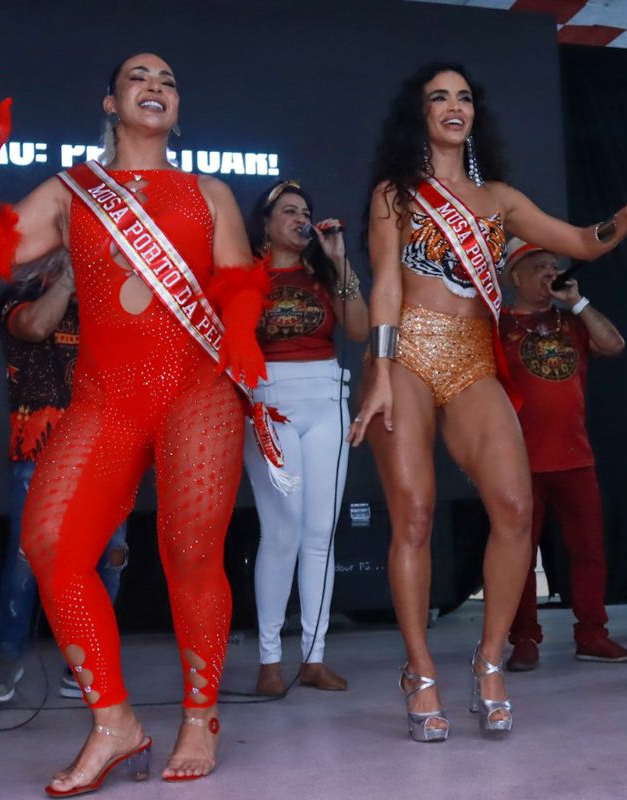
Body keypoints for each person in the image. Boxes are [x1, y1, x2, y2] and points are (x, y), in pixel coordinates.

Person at [0, 54, 271, 792]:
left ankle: (201, 716)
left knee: (191, 553)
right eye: (139, 77)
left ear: (177, 107)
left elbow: (237, 279)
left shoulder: (209, 192)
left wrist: (243, 330)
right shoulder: (74, 191)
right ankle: (114, 723)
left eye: (168, 79)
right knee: (50, 544)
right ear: (111, 102)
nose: (156, 86)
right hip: (107, 398)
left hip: (198, 390)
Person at [349, 63, 627, 741]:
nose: (454, 105)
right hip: (406, 351)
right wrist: (378, 369)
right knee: (414, 515)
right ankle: (419, 671)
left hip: (473, 355)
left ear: (475, 114)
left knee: (516, 508)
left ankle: (489, 661)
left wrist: (621, 220)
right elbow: (385, 285)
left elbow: (579, 241)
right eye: (439, 96)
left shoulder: (498, 198)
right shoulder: (396, 193)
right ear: (419, 113)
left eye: (464, 97)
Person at [0, 249, 130, 704]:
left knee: (110, 555)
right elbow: (36, 327)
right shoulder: (18, 295)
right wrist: (68, 278)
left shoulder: (106, 300)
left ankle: (84, 658)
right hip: (39, 446)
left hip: (103, 444)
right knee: (27, 557)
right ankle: (9, 654)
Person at [242, 180, 367, 696]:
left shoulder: (323, 274)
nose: (300, 218)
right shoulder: (244, 273)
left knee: (320, 533)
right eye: (289, 211)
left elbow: (358, 329)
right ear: (266, 223)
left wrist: (340, 261)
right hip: (270, 402)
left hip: (326, 399)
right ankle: (270, 660)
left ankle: (313, 657)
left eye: (305, 212)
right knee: (283, 530)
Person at [497, 240, 627, 672]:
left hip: (575, 456)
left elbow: (614, 345)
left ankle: (592, 634)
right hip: (519, 460)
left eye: (553, 266)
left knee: (589, 551)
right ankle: (523, 638)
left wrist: (577, 302)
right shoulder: (497, 326)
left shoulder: (571, 320)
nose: (550, 273)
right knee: (520, 556)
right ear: (515, 276)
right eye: (539, 267)